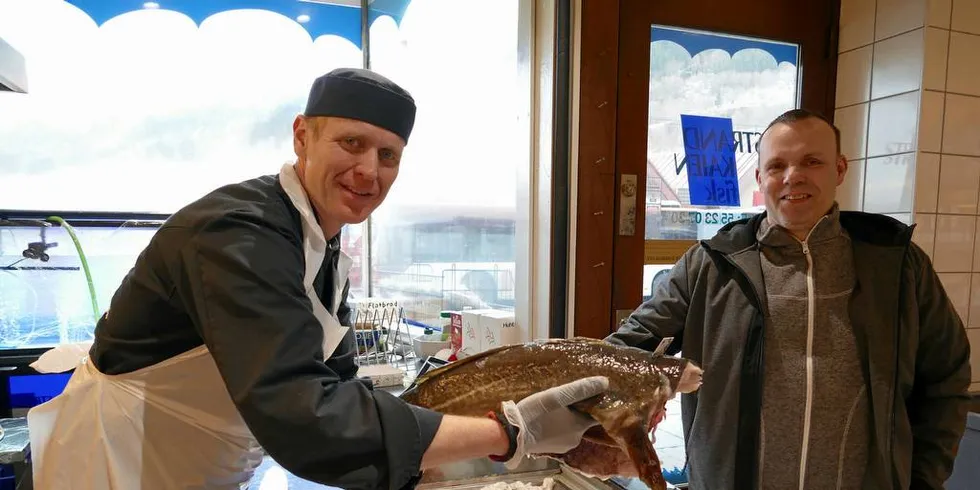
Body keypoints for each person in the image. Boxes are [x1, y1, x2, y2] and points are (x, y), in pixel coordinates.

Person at [26, 68, 608, 490]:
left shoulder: (322, 246)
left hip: (204, 465)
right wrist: (510, 434)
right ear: (302, 136)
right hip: (116, 465)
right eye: (351, 143)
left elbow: (341, 381)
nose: (367, 171)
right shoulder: (239, 233)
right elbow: (305, 413)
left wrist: (427, 453)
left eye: (388, 155)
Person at [607, 109, 972, 490]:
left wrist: (923, 479)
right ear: (761, 177)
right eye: (777, 165)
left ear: (840, 170)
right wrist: (560, 391)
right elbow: (629, 346)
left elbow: (946, 378)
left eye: (812, 162)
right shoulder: (712, 264)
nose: (793, 176)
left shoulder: (897, 265)